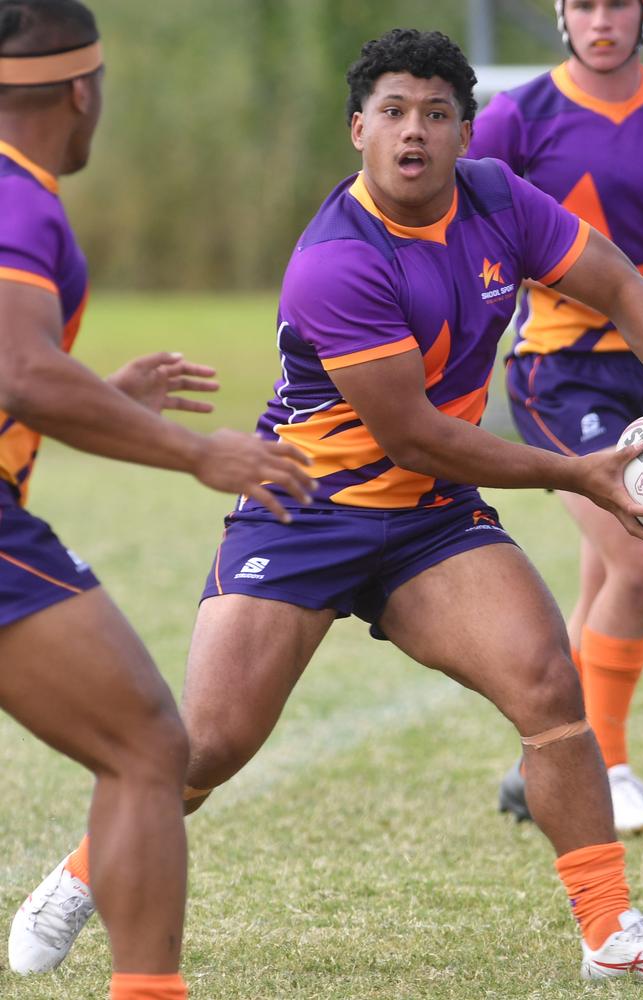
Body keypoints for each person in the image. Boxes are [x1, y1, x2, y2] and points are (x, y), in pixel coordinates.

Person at [11, 25, 643, 983]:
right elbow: (415, 436)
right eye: (393, 112)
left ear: (466, 132)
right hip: (304, 508)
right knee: (209, 744)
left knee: (547, 687)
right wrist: (584, 471)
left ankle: (609, 929)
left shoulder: (498, 200)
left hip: (431, 519)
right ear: (357, 128)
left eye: (437, 114)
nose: (414, 133)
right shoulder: (336, 259)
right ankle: (82, 873)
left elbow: (618, 284)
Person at [0, 2, 314, 999]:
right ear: (83, 93)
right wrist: (194, 452)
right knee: (145, 744)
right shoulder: (20, 201)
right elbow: (21, 367)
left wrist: (98, 394)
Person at [467, 0, 643, 835]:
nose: (602, 19)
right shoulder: (516, 117)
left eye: (619, 1)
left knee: (609, 574)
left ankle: (536, 769)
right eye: (585, 3)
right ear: (561, 15)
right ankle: (606, 766)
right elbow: (454, 228)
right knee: (639, 559)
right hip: (565, 373)